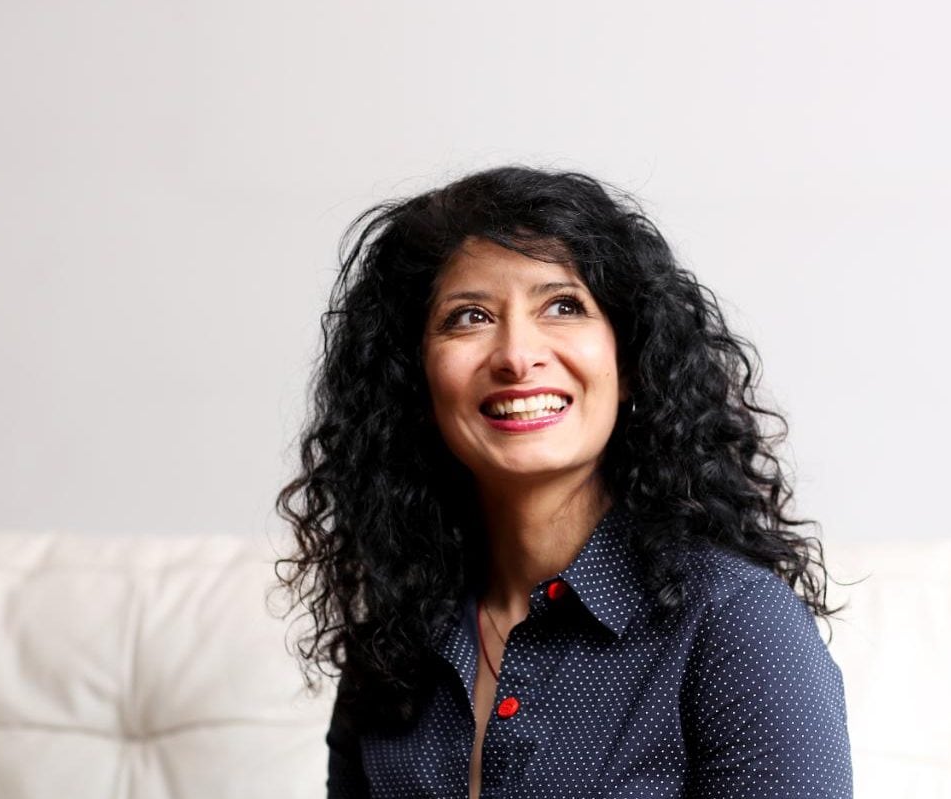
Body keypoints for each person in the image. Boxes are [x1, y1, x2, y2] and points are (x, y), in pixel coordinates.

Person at [275, 166, 853, 798]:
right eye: (469, 317)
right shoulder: (392, 645)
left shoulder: (738, 627)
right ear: (415, 381)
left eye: (563, 306)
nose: (517, 355)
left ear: (630, 362)